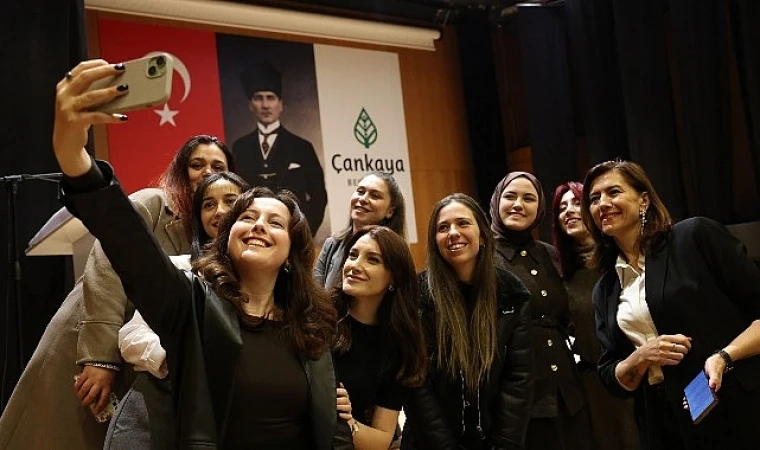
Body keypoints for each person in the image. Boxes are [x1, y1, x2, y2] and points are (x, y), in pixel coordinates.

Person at [51, 59, 352, 449]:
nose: (259, 225)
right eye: (247, 217)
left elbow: (333, 432)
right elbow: (125, 239)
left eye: (275, 222)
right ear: (226, 238)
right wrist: (73, 155)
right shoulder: (191, 306)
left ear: (292, 249)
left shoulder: (311, 324)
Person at [0, 133, 234, 450]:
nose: (207, 172)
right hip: (89, 337)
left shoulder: (211, 235)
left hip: (129, 352)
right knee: (51, 434)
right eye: (197, 164)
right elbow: (106, 263)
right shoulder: (155, 202)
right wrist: (99, 358)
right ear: (181, 171)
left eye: (217, 166)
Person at [582, 160, 760, 450]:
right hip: (661, 421)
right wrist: (641, 357)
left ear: (643, 200)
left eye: (613, 192)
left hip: (732, 402)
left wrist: (724, 356)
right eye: (593, 199)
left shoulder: (694, 237)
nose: (602, 203)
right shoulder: (605, 288)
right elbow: (610, 373)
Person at [107, 172, 250, 449]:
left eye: (230, 201)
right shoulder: (181, 269)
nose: (219, 211)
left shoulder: (265, 280)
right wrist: (182, 359)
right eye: (208, 204)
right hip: (156, 411)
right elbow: (131, 336)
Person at [402, 193, 533, 450]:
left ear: (482, 235)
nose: (453, 233)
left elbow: (518, 379)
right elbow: (415, 384)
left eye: (463, 223)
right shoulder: (416, 294)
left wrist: (504, 445)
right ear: (435, 241)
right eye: (443, 228)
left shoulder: (512, 292)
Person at [489, 172, 593, 450]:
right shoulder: (481, 256)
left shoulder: (553, 254)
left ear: (540, 208)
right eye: (510, 196)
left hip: (569, 392)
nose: (518, 204)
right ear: (497, 201)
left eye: (529, 198)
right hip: (517, 398)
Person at [551, 181, 639, 450]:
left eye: (576, 203)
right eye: (561, 207)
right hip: (593, 383)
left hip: (637, 374)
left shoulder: (623, 259)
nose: (568, 211)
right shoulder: (562, 274)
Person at [332, 225, 426, 449]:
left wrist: (348, 422)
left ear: (394, 279)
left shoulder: (397, 344)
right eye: (352, 255)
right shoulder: (317, 318)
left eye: (372, 260)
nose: (355, 265)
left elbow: (381, 440)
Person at [232, 62, 328, 235]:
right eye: (258, 98)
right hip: (252, 234)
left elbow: (319, 195)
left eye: (271, 98)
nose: (265, 105)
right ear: (250, 105)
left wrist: (303, 232)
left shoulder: (302, 147)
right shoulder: (240, 147)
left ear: (280, 104)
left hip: (291, 233)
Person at [315, 172, 406, 289]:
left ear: (390, 211)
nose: (363, 199)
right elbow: (315, 294)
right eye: (360, 191)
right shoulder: (332, 245)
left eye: (375, 196)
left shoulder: (395, 253)